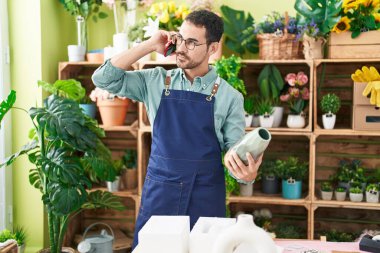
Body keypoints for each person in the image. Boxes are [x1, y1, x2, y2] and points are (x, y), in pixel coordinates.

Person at [91, 10, 263, 249]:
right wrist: (150, 45)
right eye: (181, 38)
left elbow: (234, 155)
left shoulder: (229, 97)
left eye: (192, 42)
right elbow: (103, 79)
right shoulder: (155, 81)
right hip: (160, 194)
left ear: (213, 48)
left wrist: (246, 173)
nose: (181, 47)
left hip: (205, 199)